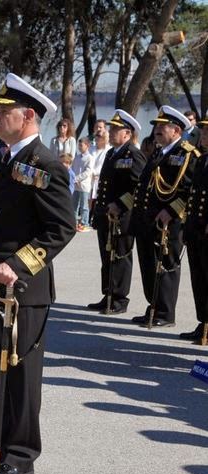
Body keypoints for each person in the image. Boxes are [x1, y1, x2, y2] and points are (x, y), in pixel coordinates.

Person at [0, 73, 75, 474]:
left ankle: (22, 455)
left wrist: (19, 263)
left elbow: (60, 228)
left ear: (27, 116)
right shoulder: (12, 159)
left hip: (23, 290)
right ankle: (2, 445)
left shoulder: (45, 163)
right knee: (0, 370)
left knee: (22, 374)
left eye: (3, 112)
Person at [131, 106, 199, 327]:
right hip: (149, 219)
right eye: (157, 126)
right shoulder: (160, 152)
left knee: (166, 265)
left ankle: (166, 313)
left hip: (168, 222)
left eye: (163, 126)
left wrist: (169, 211)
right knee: (149, 264)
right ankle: (154, 306)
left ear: (176, 130)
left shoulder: (186, 154)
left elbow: (188, 189)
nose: (158, 130)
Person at [86, 110, 146, 315]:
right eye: (110, 129)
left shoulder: (133, 154)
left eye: (115, 130)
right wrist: (97, 211)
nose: (111, 133)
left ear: (127, 134)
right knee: (107, 256)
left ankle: (120, 299)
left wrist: (119, 205)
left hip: (122, 216)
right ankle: (108, 294)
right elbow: (103, 186)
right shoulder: (112, 153)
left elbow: (139, 187)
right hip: (106, 215)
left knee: (120, 256)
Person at [182, 117, 208, 341]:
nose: (204, 136)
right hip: (196, 230)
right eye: (203, 132)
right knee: (199, 280)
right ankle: (204, 323)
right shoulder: (202, 160)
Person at [70, 137, 94, 231]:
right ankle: (74, 223)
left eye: (81, 145)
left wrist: (77, 178)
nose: (79, 147)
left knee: (84, 206)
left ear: (87, 146)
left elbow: (88, 172)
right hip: (76, 185)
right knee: (74, 204)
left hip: (84, 186)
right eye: (78, 145)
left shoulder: (90, 158)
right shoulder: (76, 157)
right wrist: (73, 179)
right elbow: (73, 169)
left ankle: (84, 223)